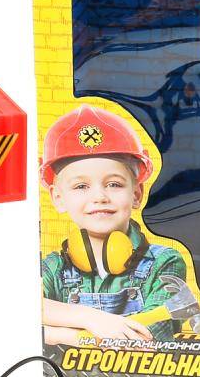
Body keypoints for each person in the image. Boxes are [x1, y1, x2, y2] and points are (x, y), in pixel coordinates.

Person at [40, 104, 188, 346]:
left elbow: (142, 340)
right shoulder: (53, 268)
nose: (99, 197)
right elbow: (15, 315)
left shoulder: (164, 263)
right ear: (58, 198)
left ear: (137, 194)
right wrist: (89, 318)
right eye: (81, 186)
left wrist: (56, 333)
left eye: (114, 184)